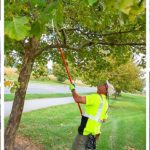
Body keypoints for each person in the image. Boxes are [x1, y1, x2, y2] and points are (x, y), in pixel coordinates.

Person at [69, 81, 115, 150]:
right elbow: (104, 119)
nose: (101, 84)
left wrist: (72, 89)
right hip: (94, 135)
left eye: (104, 85)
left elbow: (77, 99)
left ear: (106, 91)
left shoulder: (96, 97)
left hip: (86, 133)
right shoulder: (105, 102)